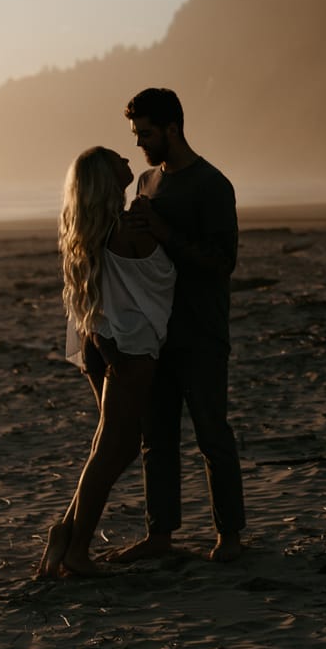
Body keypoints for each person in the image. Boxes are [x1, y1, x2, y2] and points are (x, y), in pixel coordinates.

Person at [111, 87, 246, 563]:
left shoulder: (213, 185)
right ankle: (160, 536)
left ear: (172, 128)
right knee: (157, 437)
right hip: (155, 331)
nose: (140, 143)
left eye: (146, 133)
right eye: (135, 134)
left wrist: (167, 234)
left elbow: (222, 261)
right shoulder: (144, 183)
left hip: (203, 330)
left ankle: (229, 538)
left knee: (212, 433)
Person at [35, 145, 175, 578]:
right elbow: (167, 272)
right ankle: (76, 550)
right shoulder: (131, 226)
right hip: (128, 345)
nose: (130, 164)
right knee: (116, 446)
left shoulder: (84, 232)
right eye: (120, 161)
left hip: (96, 338)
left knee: (107, 443)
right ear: (104, 177)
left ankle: (66, 532)